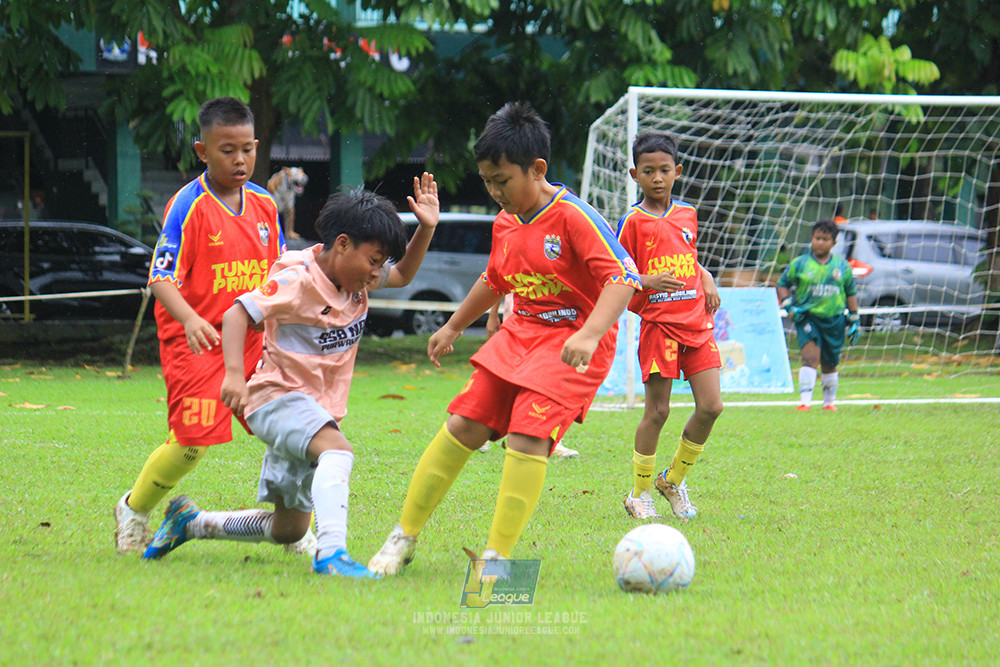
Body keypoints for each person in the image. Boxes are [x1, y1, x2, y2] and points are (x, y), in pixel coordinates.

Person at [367, 102, 641, 575]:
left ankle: (496, 561)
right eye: (487, 181)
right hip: (519, 337)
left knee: (528, 435)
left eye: (503, 180)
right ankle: (403, 536)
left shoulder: (574, 216)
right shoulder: (506, 221)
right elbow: (495, 279)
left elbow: (623, 277)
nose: (495, 191)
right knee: (463, 426)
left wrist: (591, 333)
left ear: (538, 169)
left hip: (571, 344)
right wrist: (454, 325)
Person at [141, 177, 440, 577]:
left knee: (289, 529)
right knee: (338, 451)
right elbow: (237, 313)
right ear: (343, 244)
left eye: (379, 263)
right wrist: (234, 376)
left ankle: (191, 523)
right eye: (373, 260)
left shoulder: (356, 279)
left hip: (315, 411)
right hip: (276, 399)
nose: (376, 273)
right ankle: (332, 554)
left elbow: (401, 274)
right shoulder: (298, 278)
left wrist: (427, 227)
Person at [113, 97, 301, 555]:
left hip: (253, 342)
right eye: (227, 150)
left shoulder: (265, 205)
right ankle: (134, 509)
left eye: (247, 150)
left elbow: (279, 271)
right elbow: (160, 277)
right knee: (191, 444)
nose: (239, 160)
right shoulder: (187, 205)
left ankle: (296, 527)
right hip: (196, 344)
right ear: (202, 151)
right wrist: (191, 317)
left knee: (288, 430)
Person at [616, 132, 723, 521]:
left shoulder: (688, 213)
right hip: (659, 328)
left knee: (711, 406)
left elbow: (688, 257)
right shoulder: (632, 221)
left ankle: (672, 480)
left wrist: (705, 276)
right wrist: (648, 280)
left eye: (664, 170)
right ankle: (640, 493)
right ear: (635, 175)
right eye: (648, 171)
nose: (657, 178)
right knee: (658, 412)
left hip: (697, 322)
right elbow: (617, 272)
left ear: (677, 171)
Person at [776, 219, 860, 411]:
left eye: (825, 239)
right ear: (811, 239)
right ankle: (805, 402)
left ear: (834, 243)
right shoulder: (800, 264)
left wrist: (855, 319)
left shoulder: (842, 266)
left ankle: (829, 403)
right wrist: (789, 306)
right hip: (808, 318)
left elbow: (850, 292)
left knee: (830, 362)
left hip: (835, 320)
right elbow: (782, 284)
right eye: (817, 238)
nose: (820, 242)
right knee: (810, 357)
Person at [483, 294, 579, 459]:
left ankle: (548, 438)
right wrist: (493, 316)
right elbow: (497, 283)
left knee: (546, 382)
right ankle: (484, 426)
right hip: (519, 326)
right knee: (509, 382)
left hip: (552, 326)